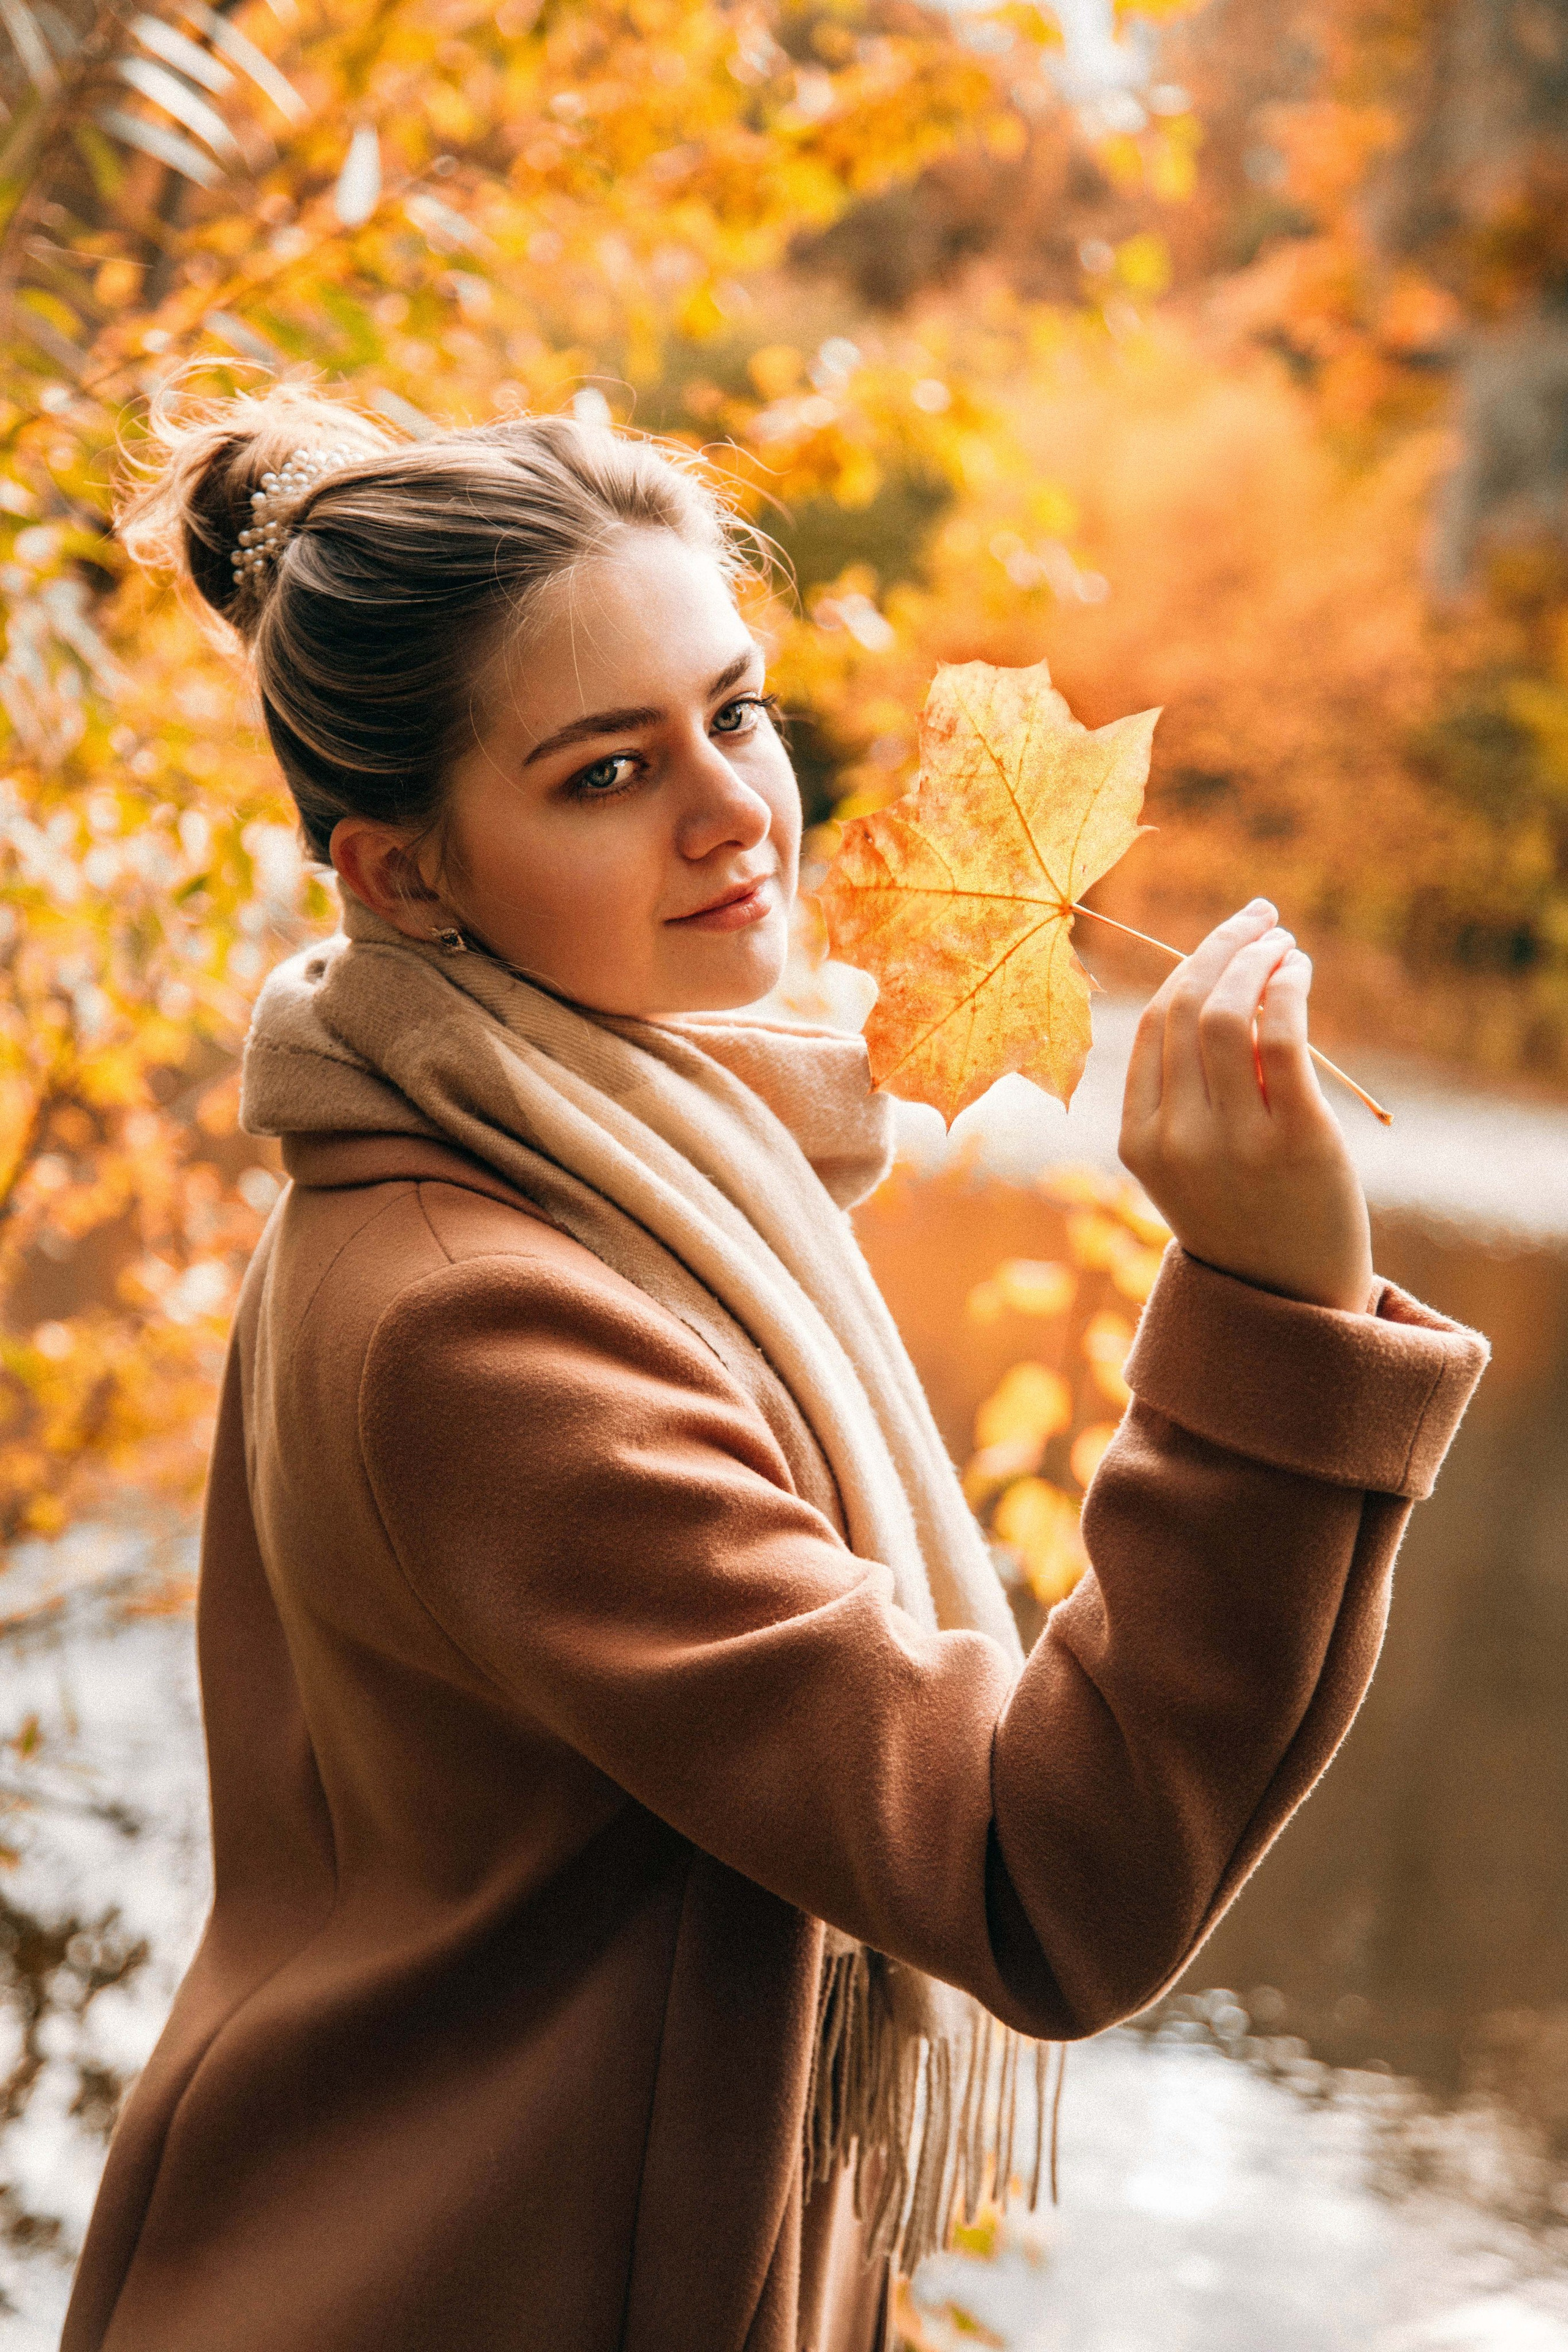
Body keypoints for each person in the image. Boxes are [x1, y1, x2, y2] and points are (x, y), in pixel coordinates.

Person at [64, 383, 1488, 2352]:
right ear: (402, 876)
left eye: (732, 713)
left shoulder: (600, 1189)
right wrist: (1266, 1311)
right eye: (602, 773)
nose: (736, 809)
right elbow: (1038, 1870)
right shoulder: (475, 1316)